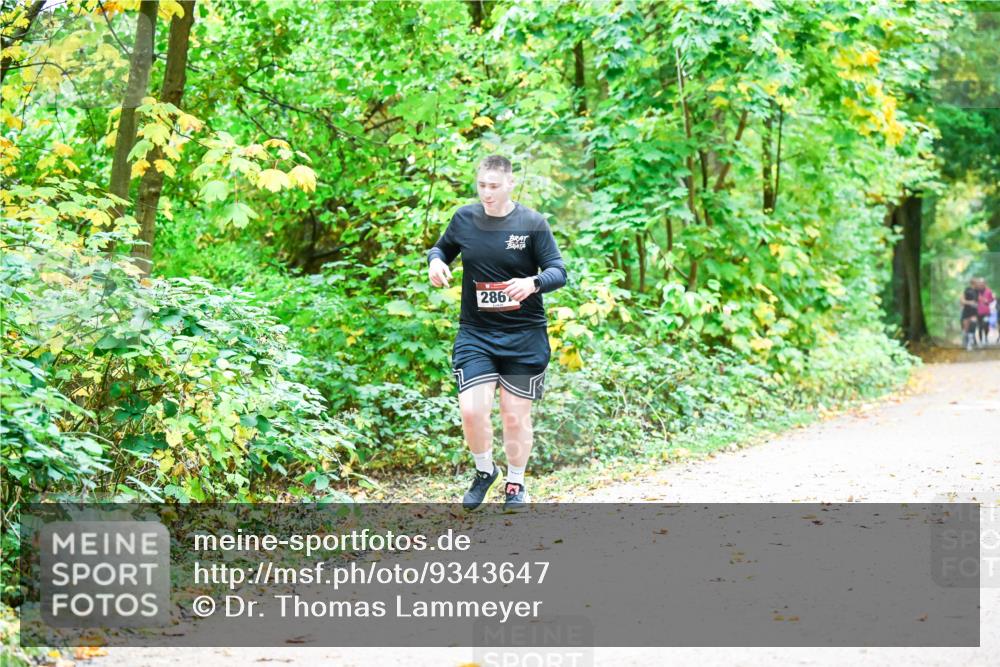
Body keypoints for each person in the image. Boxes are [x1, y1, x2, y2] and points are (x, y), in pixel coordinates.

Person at [427, 155, 567, 512]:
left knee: (514, 414)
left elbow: (558, 271)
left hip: (524, 335)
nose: (487, 193)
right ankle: (484, 471)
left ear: (510, 184)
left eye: (493, 186)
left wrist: (533, 283)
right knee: (472, 410)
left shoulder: (533, 223)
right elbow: (443, 247)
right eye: (481, 186)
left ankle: (516, 483)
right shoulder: (465, 218)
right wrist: (436, 261)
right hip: (477, 333)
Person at [974, 277, 995, 347]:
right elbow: (973, 300)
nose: (981, 284)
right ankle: (980, 340)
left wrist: (987, 301)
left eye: (982, 283)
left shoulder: (989, 291)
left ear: (985, 283)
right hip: (978, 312)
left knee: (985, 325)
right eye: (980, 283)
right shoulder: (976, 292)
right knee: (980, 326)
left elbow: (992, 300)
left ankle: (986, 338)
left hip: (986, 312)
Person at [960, 279, 979, 351]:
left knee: (973, 326)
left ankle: (970, 345)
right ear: (973, 283)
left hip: (974, 312)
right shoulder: (967, 290)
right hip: (966, 311)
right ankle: (965, 342)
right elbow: (962, 300)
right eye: (977, 282)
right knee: (966, 329)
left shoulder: (977, 291)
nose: (978, 284)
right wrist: (970, 302)